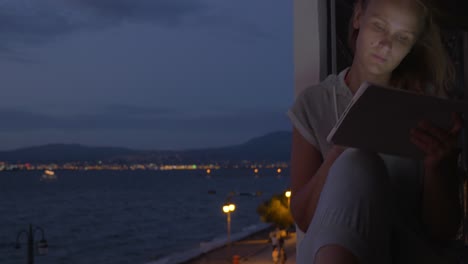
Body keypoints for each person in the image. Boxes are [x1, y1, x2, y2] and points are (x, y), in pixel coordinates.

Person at [288, 0, 463, 263]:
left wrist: (438, 168)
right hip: (332, 250)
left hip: (405, 253)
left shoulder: (426, 110)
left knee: (358, 163)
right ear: (358, 16)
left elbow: (444, 231)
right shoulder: (314, 104)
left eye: (402, 37)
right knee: (355, 163)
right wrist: (340, 151)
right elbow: (303, 219)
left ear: (412, 46)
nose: (386, 44)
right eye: (379, 26)